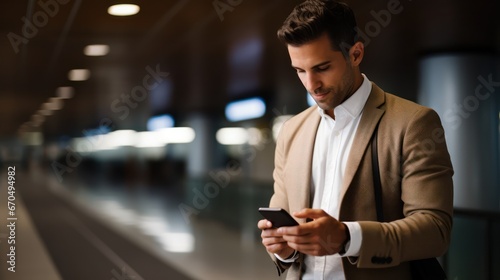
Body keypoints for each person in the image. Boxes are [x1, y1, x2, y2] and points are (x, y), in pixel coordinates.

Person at [257, 0, 454, 279]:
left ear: (356, 53)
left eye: (322, 67)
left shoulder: (412, 123)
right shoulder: (292, 131)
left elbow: (435, 230)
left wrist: (347, 237)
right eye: (300, 71)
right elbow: (283, 228)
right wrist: (282, 248)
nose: (311, 84)